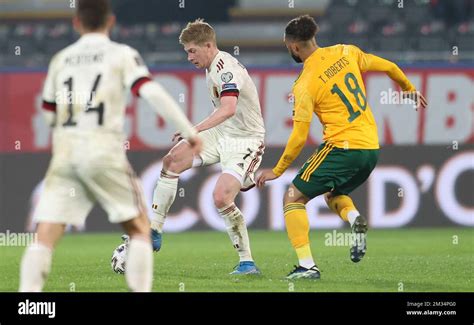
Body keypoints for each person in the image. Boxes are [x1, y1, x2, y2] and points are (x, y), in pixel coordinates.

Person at [19, 0, 201, 292]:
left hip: (65, 153)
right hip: (104, 150)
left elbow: (48, 113)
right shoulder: (121, 54)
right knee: (140, 229)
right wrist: (189, 131)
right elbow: (150, 91)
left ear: (76, 23)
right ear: (111, 21)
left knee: (45, 236)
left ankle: (26, 302)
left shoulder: (61, 59)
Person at [257, 15, 427, 280]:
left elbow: (299, 137)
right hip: (370, 148)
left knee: (293, 197)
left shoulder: (305, 84)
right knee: (333, 194)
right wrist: (409, 89)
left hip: (342, 147)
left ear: (294, 47)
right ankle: (354, 218)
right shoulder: (346, 51)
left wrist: (277, 171)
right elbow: (390, 66)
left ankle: (307, 266)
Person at [150, 19, 265, 275]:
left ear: (208, 45)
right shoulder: (210, 66)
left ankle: (247, 262)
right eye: (187, 52)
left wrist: (193, 130)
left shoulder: (226, 69)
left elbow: (228, 109)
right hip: (222, 133)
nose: (189, 57)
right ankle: (154, 231)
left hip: (245, 139)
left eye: (192, 50)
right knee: (172, 160)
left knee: (221, 197)